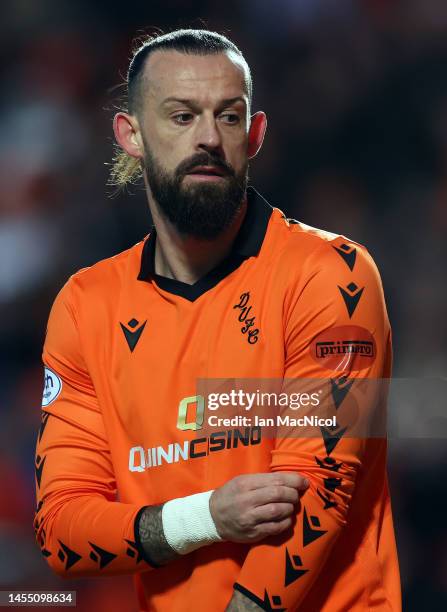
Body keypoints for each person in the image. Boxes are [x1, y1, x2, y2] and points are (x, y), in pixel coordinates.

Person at [34, 29, 401, 611]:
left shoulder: (332, 274)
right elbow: (62, 529)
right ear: (131, 135)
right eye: (181, 117)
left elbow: (319, 493)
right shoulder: (86, 305)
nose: (208, 138)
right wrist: (204, 517)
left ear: (255, 135)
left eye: (228, 118)